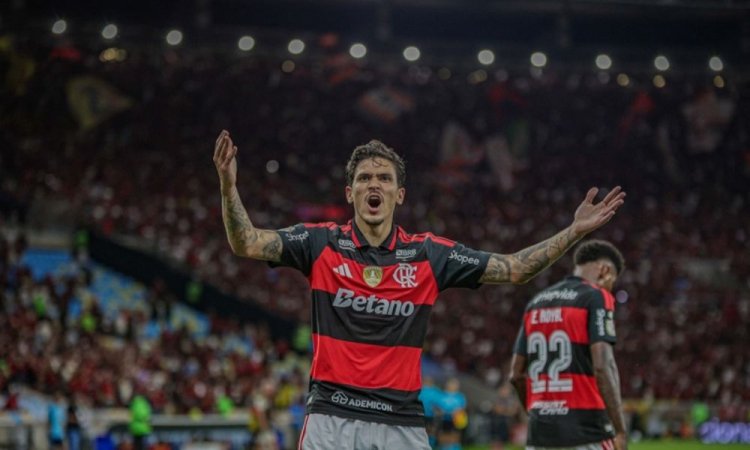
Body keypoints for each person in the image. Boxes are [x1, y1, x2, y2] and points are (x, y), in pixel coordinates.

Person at [213, 130, 626, 450]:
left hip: (402, 424)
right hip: (331, 418)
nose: (374, 185)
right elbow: (246, 242)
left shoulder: (429, 254)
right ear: (350, 193)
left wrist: (574, 231)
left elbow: (515, 269)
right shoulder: (319, 243)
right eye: (364, 178)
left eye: (384, 178)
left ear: (399, 194)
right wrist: (229, 187)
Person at [510, 240, 628, 450]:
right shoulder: (596, 296)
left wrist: (537, 414)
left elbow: (516, 375)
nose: (610, 289)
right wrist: (619, 430)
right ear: (605, 270)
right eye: (613, 282)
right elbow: (603, 366)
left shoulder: (536, 303)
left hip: (540, 434)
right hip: (586, 430)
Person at [435, 378, 467, 450]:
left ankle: (454, 447)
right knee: (443, 434)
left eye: (455, 385)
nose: (453, 386)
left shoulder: (460, 396)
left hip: (456, 419)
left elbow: (463, 407)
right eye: (452, 384)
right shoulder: (441, 395)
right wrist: (440, 411)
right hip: (444, 418)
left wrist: (457, 411)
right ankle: (445, 447)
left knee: (455, 434)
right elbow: (437, 406)